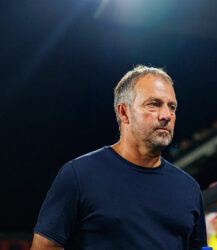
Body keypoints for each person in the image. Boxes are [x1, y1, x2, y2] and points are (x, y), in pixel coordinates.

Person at [31, 65, 207, 249]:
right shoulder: (79, 175)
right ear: (124, 112)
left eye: (172, 107)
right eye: (153, 104)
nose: (166, 115)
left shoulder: (189, 189)